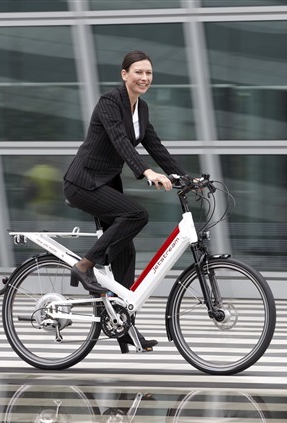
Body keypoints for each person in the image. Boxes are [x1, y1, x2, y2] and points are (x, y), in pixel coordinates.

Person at [63, 50, 186, 352]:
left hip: (106, 183)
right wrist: (146, 172)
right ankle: (84, 265)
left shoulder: (140, 110)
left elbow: (156, 146)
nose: (144, 78)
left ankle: (123, 328)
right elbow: (119, 140)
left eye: (149, 74)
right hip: (83, 182)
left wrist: (186, 177)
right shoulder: (109, 102)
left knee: (125, 251)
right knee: (136, 215)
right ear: (124, 75)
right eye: (138, 72)